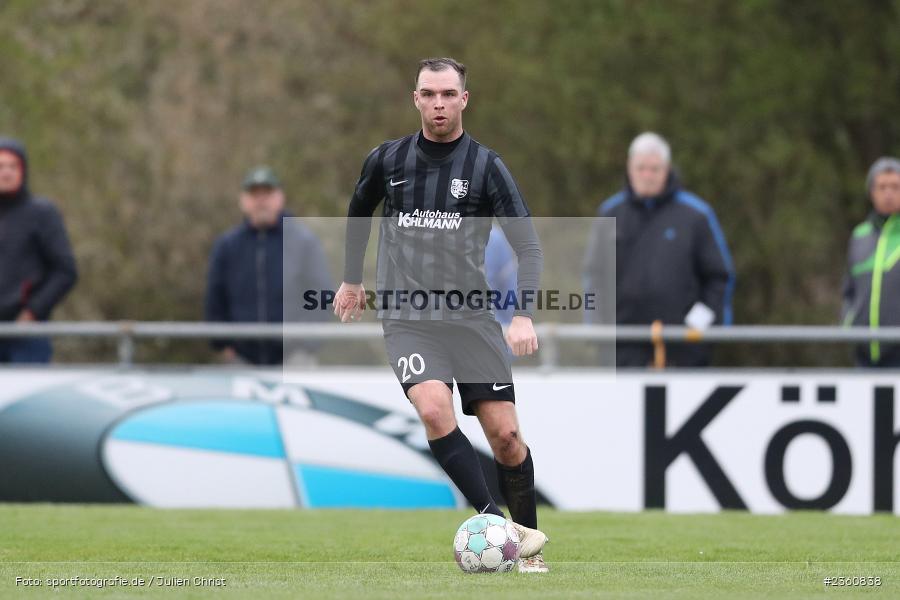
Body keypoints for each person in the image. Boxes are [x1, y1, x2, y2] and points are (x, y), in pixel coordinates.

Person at [334, 58, 549, 572]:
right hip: (408, 317)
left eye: (448, 94)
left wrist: (523, 316)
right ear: (415, 98)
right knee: (433, 410)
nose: (438, 103)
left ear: (464, 100)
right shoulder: (387, 161)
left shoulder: (486, 166)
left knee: (507, 438)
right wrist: (351, 278)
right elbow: (358, 211)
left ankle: (529, 546)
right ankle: (498, 526)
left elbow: (530, 247)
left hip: (472, 320)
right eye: (428, 94)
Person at [583, 132, 735, 367]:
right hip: (622, 348)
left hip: (683, 349)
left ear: (667, 170)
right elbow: (593, 275)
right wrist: (598, 326)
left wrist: (699, 326)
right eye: (641, 168)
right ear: (629, 168)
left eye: (654, 169)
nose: (647, 175)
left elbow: (720, 277)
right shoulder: (610, 212)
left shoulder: (696, 215)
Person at [205, 166, 333, 366]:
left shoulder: (304, 242)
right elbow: (215, 300)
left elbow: (322, 295)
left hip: (295, 360)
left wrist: (306, 343)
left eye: (267, 193)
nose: (261, 200)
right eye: (254, 194)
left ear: (280, 197)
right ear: (243, 200)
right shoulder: (227, 246)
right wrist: (223, 343)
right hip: (241, 361)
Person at [0, 137, 78, 363]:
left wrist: (32, 312)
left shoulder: (42, 214)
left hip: (27, 337)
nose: (6, 173)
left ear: (23, 171)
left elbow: (66, 271)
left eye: (12, 166)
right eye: (1, 166)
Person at [842, 157, 900, 367]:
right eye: (882, 187)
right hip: (863, 354)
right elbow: (848, 291)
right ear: (871, 192)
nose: (888, 193)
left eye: (895, 186)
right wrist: (848, 323)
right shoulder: (860, 235)